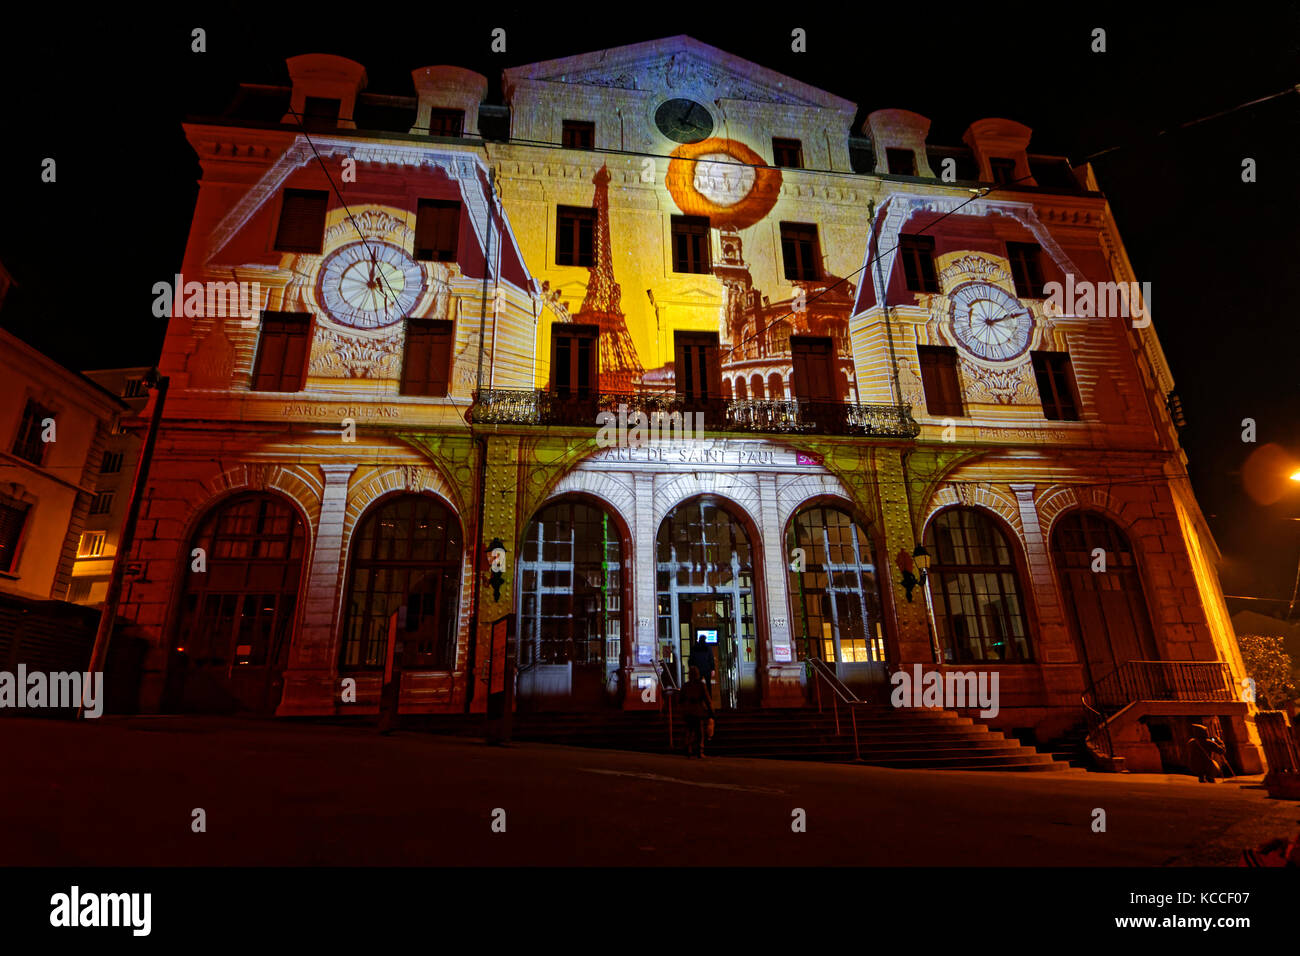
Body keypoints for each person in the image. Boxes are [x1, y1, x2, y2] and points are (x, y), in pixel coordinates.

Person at [680, 665, 714, 758]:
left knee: (689, 731)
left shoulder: (685, 686)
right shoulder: (701, 685)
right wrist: (711, 711)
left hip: (688, 711)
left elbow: (680, 699)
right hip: (697, 711)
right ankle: (699, 751)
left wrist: (682, 709)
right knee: (699, 732)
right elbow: (707, 699)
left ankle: (688, 749)